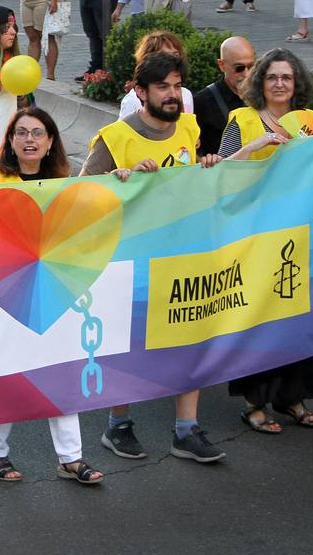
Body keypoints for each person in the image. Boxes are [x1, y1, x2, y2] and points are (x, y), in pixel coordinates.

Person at [80, 52, 226, 463]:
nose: (172, 94)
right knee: (129, 345)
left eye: (177, 85)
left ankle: (186, 430)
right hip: (131, 260)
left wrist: (207, 164)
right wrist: (117, 179)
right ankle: (118, 425)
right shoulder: (116, 137)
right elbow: (78, 193)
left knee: (189, 335)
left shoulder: (190, 127)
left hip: (181, 253)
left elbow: (190, 176)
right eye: (162, 86)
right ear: (140, 91)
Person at [0, 108, 104, 485]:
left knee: (60, 368)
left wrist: (123, 183)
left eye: (37, 133)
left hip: (50, 286)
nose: (29, 140)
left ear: (51, 141)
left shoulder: (64, 181)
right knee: (7, 371)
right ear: (11, 140)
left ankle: (71, 457)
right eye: (21, 133)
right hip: (1, 288)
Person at [222, 51, 313, 433]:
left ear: (296, 83)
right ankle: (254, 404)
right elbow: (221, 172)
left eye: (286, 77)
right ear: (260, 82)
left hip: (301, 234)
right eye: (271, 77)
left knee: (300, 313)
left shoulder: (311, 122)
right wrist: (255, 148)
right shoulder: (240, 121)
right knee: (257, 315)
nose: (279, 84)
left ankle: (293, 398)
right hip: (256, 235)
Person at [192, 35, 255, 155]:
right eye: (239, 68)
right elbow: (192, 150)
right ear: (222, 65)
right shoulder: (203, 101)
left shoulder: (264, 94)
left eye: (251, 66)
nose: (246, 74)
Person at [118, 30, 195, 119]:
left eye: (176, 55)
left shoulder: (186, 95)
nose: (171, 60)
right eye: (164, 55)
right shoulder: (133, 100)